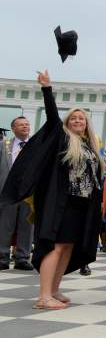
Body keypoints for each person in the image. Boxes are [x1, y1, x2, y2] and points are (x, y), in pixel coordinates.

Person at [0, 70, 105, 309]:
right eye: (74, 119)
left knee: (68, 246)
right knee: (55, 245)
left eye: (82, 119)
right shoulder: (63, 139)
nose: (78, 121)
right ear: (68, 123)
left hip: (82, 203)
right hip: (63, 202)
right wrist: (47, 89)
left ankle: (55, 289)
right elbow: (53, 116)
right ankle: (43, 296)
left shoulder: (89, 146)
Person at [0, 116, 34, 271]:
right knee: (5, 225)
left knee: (27, 225)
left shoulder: (36, 146)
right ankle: (2, 257)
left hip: (28, 193)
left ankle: (22, 258)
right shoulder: (3, 145)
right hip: (8, 192)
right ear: (13, 128)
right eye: (21, 125)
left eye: (27, 124)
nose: (25, 127)